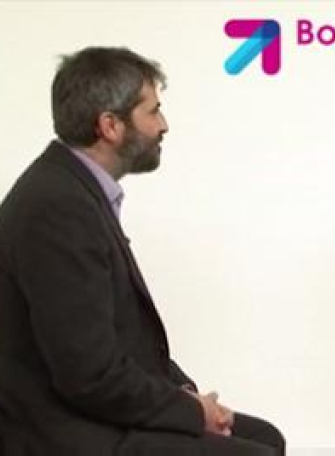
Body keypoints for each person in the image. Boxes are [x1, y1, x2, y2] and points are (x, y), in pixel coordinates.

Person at [0, 46, 285, 456]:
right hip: (61, 432)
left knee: (264, 437)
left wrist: (187, 395)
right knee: (254, 452)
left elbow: (122, 342)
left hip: (87, 412)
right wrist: (192, 412)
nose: (163, 125)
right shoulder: (57, 208)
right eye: (153, 111)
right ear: (110, 125)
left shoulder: (73, 191)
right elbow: (88, 376)